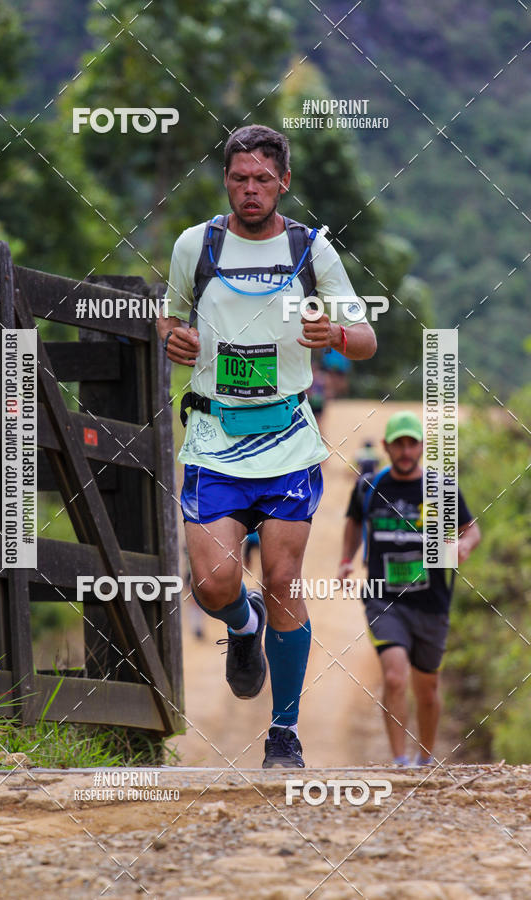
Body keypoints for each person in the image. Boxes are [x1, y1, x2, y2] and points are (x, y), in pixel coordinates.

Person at [157, 124, 376, 768]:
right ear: (226, 181)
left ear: (284, 182)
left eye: (263, 179)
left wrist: (332, 330)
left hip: (286, 440)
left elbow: (364, 339)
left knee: (283, 578)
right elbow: (170, 316)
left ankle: (284, 733)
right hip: (212, 437)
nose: (251, 190)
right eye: (239, 178)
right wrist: (174, 338)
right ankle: (242, 624)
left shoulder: (312, 250)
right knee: (216, 582)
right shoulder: (196, 246)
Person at [338, 411, 481, 766]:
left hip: (432, 601)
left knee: (427, 689)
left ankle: (425, 759)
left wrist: (464, 545)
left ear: (421, 447)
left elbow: (471, 529)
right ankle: (400, 762)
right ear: (386, 446)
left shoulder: (441, 488)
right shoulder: (369, 487)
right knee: (394, 675)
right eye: (398, 443)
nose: (404, 450)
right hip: (384, 599)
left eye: (411, 443)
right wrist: (346, 559)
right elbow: (354, 522)